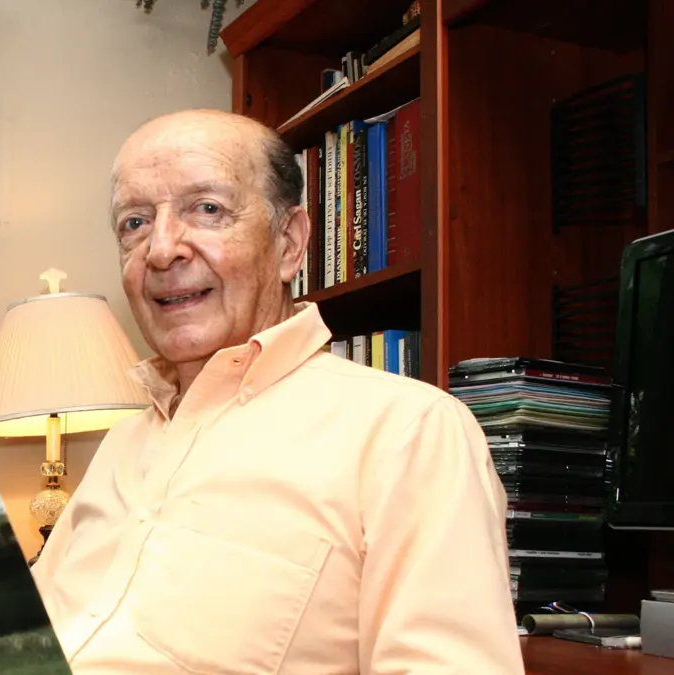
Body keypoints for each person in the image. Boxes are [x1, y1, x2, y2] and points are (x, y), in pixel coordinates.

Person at [29, 109, 525, 674]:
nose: (161, 250)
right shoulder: (120, 444)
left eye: (207, 209)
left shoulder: (409, 433)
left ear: (289, 243)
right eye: (135, 223)